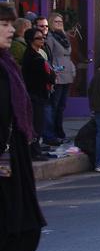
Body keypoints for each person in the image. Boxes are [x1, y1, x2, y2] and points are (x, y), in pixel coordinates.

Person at [0, 1, 45, 251]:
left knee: (27, 230)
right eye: (3, 25)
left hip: (13, 154)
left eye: (9, 25)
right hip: (3, 156)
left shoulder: (8, 63)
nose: (9, 30)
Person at [20, 29, 55, 161]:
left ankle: (36, 149)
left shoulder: (38, 54)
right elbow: (46, 76)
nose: (42, 40)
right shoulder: (33, 57)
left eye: (43, 37)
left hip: (38, 93)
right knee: (36, 124)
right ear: (31, 41)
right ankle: (34, 151)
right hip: (34, 94)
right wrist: (52, 77)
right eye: (38, 38)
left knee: (38, 123)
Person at [43, 13, 74, 145]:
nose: (59, 24)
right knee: (54, 105)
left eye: (60, 21)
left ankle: (60, 132)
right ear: (50, 23)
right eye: (56, 22)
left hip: (68, 73)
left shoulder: (64, 36)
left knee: (61, 106)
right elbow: (48, 56)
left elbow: (68, 53)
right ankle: (52, 133)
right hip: (58, 73)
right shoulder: (50, 37)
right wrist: (54, 72)